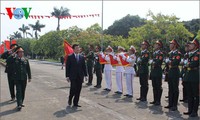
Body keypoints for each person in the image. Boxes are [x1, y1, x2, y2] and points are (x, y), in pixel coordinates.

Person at [8, 46, 31, 111]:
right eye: (20, 52)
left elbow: (28, 69)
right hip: (17, 78)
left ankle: (21, 102)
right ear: (17, 53)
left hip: (24, 78)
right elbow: (8, 61)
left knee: (23, 91)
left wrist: (29, 77)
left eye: (22, 52)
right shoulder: (14, 59)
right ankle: (19, 104)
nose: (21, 53)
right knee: (18, 91)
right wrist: (13, 54)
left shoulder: (26, 59)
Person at [183, 39, 199, 117]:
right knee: (189, 94)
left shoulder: (197, 54)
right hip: (189, 76)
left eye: (191, 44)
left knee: (195, 94)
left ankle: (194, 111)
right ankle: (190, 110)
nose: (189, 45)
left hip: (195, 76)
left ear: (195, 46)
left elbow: (194, 64)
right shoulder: (189, 54)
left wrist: (187, 64)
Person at [164, 39, 181, 111]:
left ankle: (174, 105)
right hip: (170, 72)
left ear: (175, 45)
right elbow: (167, 63)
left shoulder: (178, 53)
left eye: (171, 44)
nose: (170, 45)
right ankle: (170, 104)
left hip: (175, 72)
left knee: (175, 89)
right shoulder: (170, 53)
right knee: (170, 89)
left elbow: (174, 62)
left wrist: (169, 62)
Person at [149, 40, 164, 106]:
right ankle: (155, 100)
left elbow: (158, 61)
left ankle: (158, 100)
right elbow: (152, 61)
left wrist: (153, 62)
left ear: (159, 46)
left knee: (158, 86)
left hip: (158, 70)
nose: (154, 46)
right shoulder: (154, 53)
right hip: (154, 71)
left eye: (156, 44)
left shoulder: (160, 53)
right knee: (154, 86)